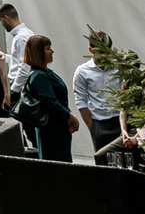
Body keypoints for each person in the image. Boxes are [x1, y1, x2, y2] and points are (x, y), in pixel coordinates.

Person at [18, 34, 76, 162]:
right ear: (38, 52)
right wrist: (71, 117)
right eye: (48, 48)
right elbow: (51, 103)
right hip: (51, 129)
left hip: (60, 127)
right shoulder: (38, 76)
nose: (52, 51)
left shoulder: (46, 73)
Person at [72, 29, 125, 161]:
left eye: (108, 51)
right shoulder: (82, 71)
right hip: (99, 124)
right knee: (104, 161)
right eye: (101, 52)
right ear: (91, 50)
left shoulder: (119, 68)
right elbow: (81, 101)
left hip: (121, 121)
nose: (106, 55)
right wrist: (93, 127)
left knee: (126, 160)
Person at [0, 2, 35, 104]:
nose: (1, 24)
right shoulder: (25, 33)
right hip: (22, 86)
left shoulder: (21, 37)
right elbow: (21, 60)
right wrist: (5, 57)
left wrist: (14, 90)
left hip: (21, 88)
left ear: (6, 18)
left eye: (1, 20)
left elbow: (25, 67)